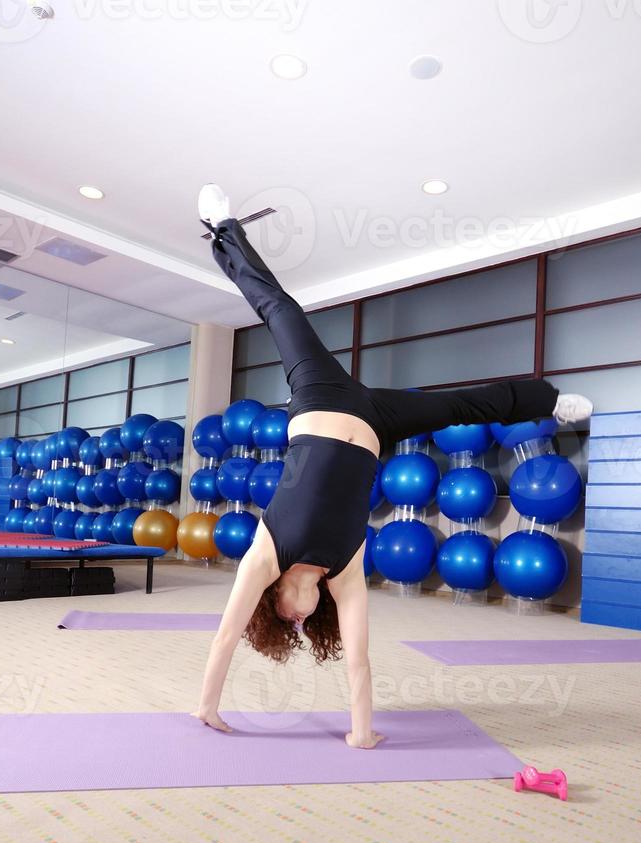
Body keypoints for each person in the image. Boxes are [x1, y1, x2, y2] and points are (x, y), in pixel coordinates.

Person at [190, 184, 593, 749]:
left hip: (318, 396)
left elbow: (225, 636)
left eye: (287, 619)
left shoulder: (263, 557)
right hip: (375, 422)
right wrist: (361, 733)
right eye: (305, 625)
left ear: (274, 599)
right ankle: (547, 403)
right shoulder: (346, 568)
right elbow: (359, 662)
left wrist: (206, 707)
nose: (300, 618)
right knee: (458, 406)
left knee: (279, 308)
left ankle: (223, 228)